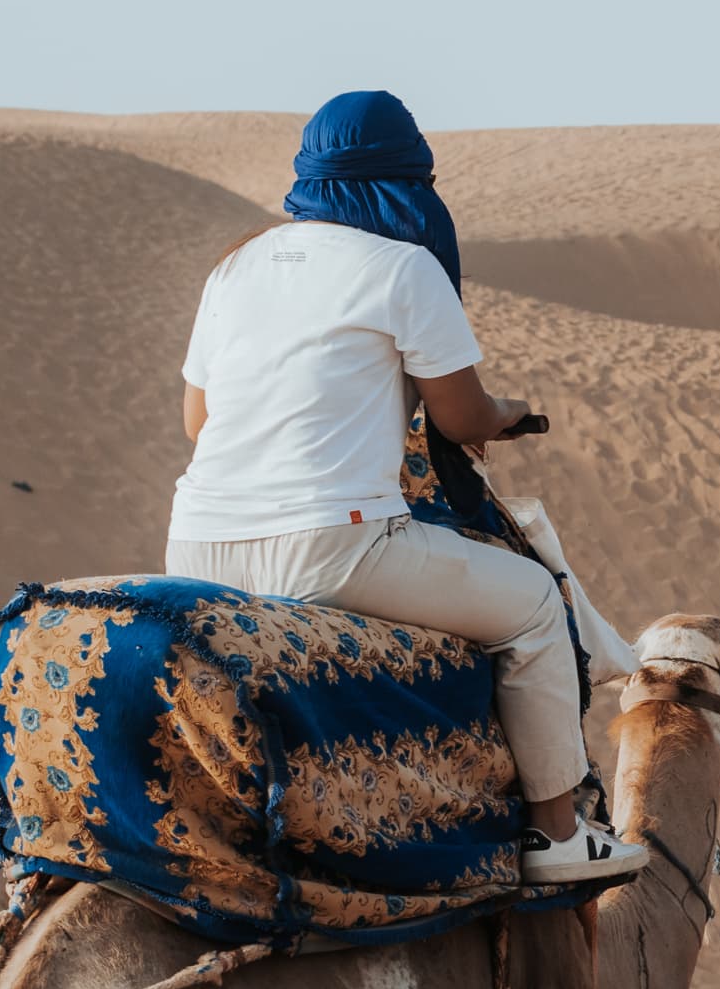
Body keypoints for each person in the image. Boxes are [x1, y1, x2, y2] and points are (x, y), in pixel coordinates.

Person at [164, 89, 644, 887]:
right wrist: (512, 413)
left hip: (195, 546)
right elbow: (460, 418)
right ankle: (557, 834)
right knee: (530, 605)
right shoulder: (401, 267)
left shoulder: (234, 266)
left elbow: (196, 419)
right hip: (331, 547)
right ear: (405, 186)